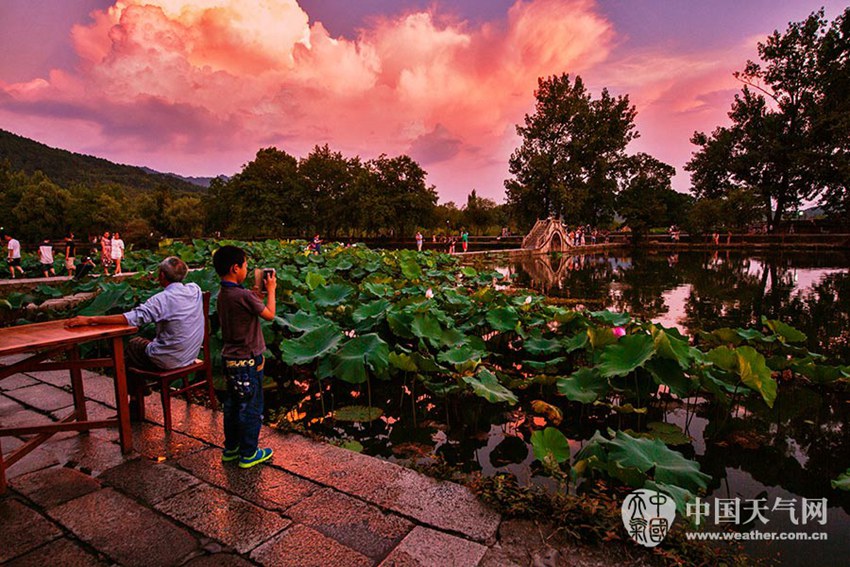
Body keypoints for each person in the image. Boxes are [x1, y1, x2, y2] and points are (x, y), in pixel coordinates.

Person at [65, 256, 204, 409]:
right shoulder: (194, 289)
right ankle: (138, 394)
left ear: (162, 275)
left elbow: (131, 319)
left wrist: (90, 320)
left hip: (169, 360)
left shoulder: (161, 300)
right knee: (138, 350)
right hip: (190, 355)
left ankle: (136, 400)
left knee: (132, 346)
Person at [213, 245, 276, 469]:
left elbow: (243, 309)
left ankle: (232, 449)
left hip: (229, 359)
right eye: (246, 266)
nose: (247, 270)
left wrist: (254, 297)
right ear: (235, 267)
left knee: (232, 406)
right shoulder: (243, 295)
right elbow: (269, 315)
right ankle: (249, 453)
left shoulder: (224, 294)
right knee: (251, 407)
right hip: (249, 360)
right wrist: (271, 291)